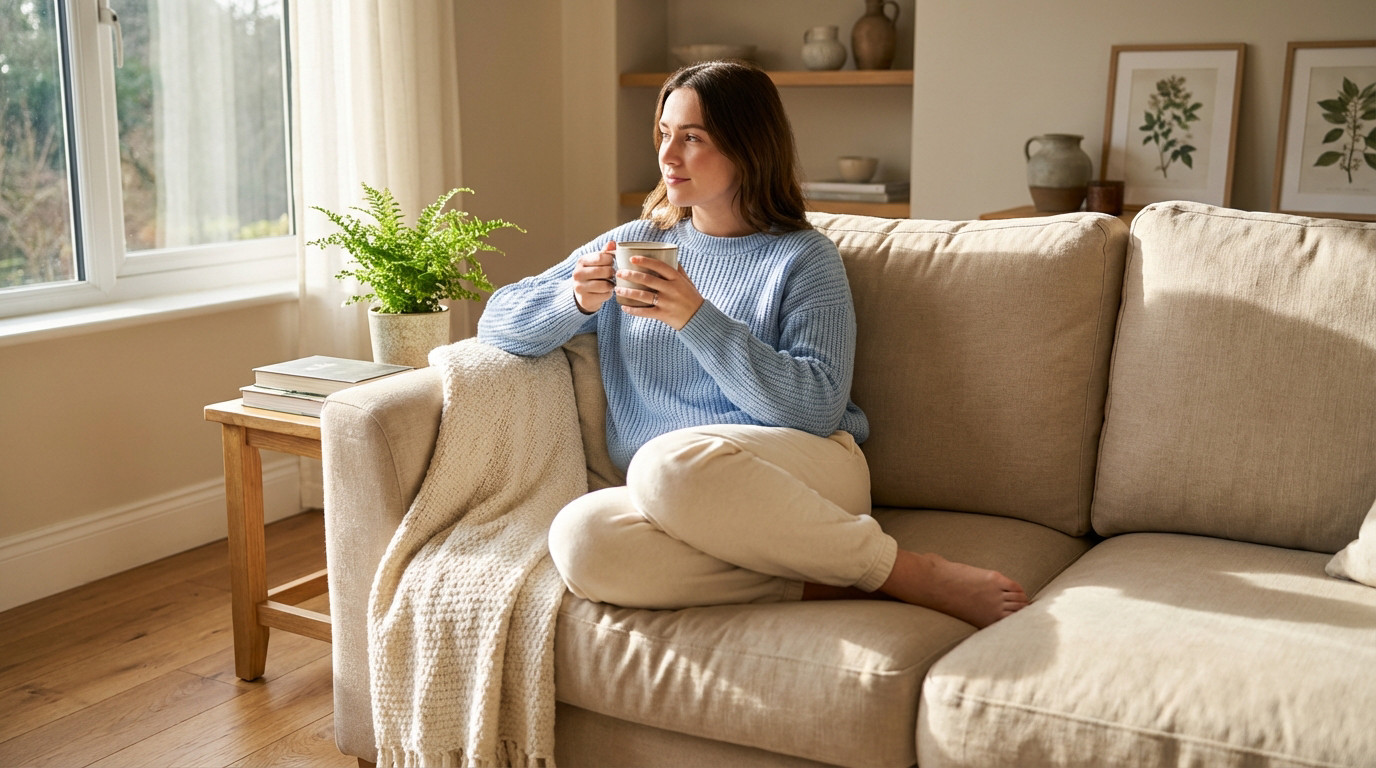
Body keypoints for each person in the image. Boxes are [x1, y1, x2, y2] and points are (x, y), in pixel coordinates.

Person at [476, 60, 1027, 628]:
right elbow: (495, 324)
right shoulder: (635, 244)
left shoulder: (803, 258)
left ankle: (906, 572)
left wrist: (696, 318)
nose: (668, 156)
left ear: (748, 147)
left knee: (666, 461)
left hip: (803, 474)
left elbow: (814, 409)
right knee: (580, 538)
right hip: (681, 497)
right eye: (665, 134)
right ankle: (824, 584)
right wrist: (575, 301)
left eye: (693, 138)